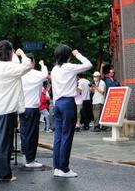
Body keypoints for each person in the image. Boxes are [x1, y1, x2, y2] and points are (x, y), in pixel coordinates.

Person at [0, 41, 31, 182]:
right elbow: (27, 65)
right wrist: (22, 54)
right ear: (11, 53)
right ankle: (4, 174)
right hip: (5, 109)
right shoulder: (10, 67)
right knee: (4, 143)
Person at [51, 44, 92, 178]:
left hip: (57, 103)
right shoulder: (69, 67)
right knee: (67, 135)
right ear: (67, 56)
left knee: (58, 136)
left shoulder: (54, 69)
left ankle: (57, 167)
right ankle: (64, 168)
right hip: (68, 103)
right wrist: (77, 54)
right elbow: (88, 64)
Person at [20, 55, 48, 168]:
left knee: (24, 132)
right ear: (32, 62)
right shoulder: (35, 73)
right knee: (32, 134)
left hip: (21, 106)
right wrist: (42, 65)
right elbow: (45, 74)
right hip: (32, 107)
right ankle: (30, 160)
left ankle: (25, 155)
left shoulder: (20, 73)